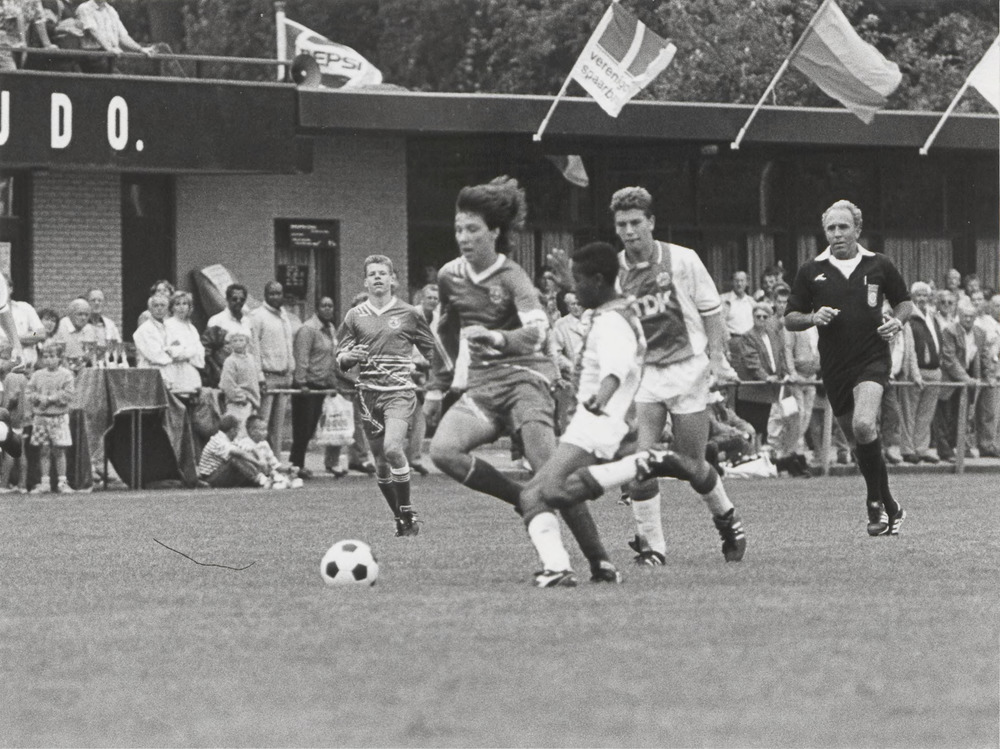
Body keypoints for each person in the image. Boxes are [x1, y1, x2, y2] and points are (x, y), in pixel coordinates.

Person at [430, 176, 615, 581]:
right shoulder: (448, 276)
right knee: (443, 451)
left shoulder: (512, 276)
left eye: (473, 229)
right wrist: (436, 386)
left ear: (494, 232)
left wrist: (497, 337)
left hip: (528, 379)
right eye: (459, 229)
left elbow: (538, 330)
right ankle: (522, 499)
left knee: (550, 472)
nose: (463, 237)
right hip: (483, 385)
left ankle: (600, 561)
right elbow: (444, 331)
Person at [568, 186, 745, 565]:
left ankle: (727, 518)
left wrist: (716, 359)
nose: (629, 231)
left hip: (689, 371)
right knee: (640, 463)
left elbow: (711, 311)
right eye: (622, 225)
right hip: (646, 376)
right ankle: (653, 547)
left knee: (691, 466)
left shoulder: (683, 260)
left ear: (651, 222)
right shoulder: (614, 273)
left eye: (636, 222)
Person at [517, 242, 644, 585]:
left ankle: (557, 568)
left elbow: (615, 370)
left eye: (579, 280)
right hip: (592, 425)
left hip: (596, 427)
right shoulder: (614, 310)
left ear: (598, 280)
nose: (573, 290)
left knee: (537, 493)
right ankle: (601, 567)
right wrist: (568, 281)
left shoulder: (612, 322)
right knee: (549, 492)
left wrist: (600, 399)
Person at [784, 199, 912, 537]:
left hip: (872, 358)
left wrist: (897, 322)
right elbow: (790, 317)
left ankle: (873, 502)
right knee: (858, 443)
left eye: (843, 227)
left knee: (864, 423)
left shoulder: (879, 264)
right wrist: (813, 317)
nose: (837, 234)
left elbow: (904, 302)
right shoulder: (811, 270)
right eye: (831, 228)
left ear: (857, 229)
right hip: (835, 365)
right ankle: (891, 506)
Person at [337, 255, 436, 537]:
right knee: (381, 463)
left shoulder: (410, 313)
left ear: (393, 279)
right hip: (368, 396)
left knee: (393, 448)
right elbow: (340, 356)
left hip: (399, 393)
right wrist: (349, 357)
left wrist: (434, 377)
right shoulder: (354, 316)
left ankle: (406, 510)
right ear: (365, 281)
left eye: (383, 273)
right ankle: (401, 518)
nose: (378, 277)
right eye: (373, 274)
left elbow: (432, 352)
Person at [290, 296, 343, 479]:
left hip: (322, 384)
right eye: (324, 306)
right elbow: (302, 356)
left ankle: (298, 463)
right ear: (317, 308)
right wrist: (301, 382)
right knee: (302, 428)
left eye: (330, 306)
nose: (327, 309)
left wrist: (332, 381)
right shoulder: (308, 329)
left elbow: (331, 357)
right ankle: (296, 464)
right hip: (308, 385)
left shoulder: (330, 329)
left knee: (311, 427)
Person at [249, 281, 295, 455]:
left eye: (278, 293)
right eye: (272, 294)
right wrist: (259, 376)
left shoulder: (284, 316)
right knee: (263, 423)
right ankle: (260, 461)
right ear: (265, 295)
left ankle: (275, 461)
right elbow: (254, 348)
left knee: (278, 426)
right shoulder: (257, 316)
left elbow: (288, 346)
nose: (276, 297)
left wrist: (290, 370)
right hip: (267, 377)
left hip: (284, 376)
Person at [899, 281, 942, 464]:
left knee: (926, 413)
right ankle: (907, 449)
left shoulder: (932, 316)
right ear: (912, 296)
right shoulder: (909, 317)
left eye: (925, 295)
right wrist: (914, 373)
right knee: (909, 412)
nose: (922, 298)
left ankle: (921, 448)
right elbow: (910, 350)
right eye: (919, 295)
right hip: (916, 372)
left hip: (934, 371)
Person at [26, 340, 75, 494]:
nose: (49, 360)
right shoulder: (37, 375)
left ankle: (62, 482)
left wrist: (51, 399)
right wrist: (38, 398)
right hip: (41, 418)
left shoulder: (66, 375)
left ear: (60, 357)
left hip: (58, 417)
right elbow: (29, 392)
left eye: (52, 356)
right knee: (44, 450)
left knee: (59, 450)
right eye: (45, 356)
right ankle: (45, 482)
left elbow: (69, 394)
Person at [939, 299, 980, 460]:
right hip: (949, 380)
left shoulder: (978, 332)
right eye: (964, 316)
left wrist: (975, 379)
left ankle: (961, 448)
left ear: (975, 317)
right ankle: (945, 451)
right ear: (958, 316)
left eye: (971, 316)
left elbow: (977, 358)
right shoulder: (949, 331)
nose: (968, 319)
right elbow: (949, 359)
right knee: (945, 418)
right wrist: (966, 378)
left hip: (966, 382)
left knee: (962, 417)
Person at [197, 413, 270, 489]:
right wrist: (257, 463)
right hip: (210, 478)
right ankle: (262, 480)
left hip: (220, 473)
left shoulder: (230, 440)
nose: (237, 433)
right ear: (232, 430)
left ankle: (261, 480)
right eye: (237, 430)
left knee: (247, 454)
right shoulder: (218, 440)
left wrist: (261, 459)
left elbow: (250, 448)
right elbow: (239, 453)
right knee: (235, 458)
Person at [203, 283, 253, 386]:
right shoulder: (217, 321)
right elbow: (206, 351)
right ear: (227, 299)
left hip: (246, 374)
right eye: (234, 299)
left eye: (242, 299)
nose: (238, 302)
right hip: (224, 374)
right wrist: (217, 370)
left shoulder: (248, 321)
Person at [238, 414, 301, 489]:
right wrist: (260, 459)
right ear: (252, 431)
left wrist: (289, 469)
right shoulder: (244, 443)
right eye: (262, 430)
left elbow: (274, 464)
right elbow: (245, 457)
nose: (266, 432)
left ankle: (283, 480)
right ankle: (273, 481)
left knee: (275, 472)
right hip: (249, 476)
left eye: (266, 429)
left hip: (265, 473)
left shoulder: (265, 444)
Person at [161, 290, 204, 395]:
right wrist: (185, 352)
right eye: (177, 304)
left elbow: (199, 351)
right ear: (172, 307)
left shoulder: (192, 328)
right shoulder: (167, 325)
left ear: (189, 307)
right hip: (173, 371)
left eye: (184, 304)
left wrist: (187, 353)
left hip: (190, 371)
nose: (181, 307)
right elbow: (170, 351)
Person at [218, 330, 260, 437]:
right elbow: (227, 383)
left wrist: (254, 399)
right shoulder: (230, 361)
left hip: (252, 402)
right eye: (235, 341)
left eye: (241, 340)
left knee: (249, 433)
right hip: (238, 404)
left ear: (247, 342)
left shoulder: (251, 359)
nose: (238, 343)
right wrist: (241, 398)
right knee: (238, 432)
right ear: (230, 344)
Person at [1, 0, 56, 72]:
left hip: (19, 41)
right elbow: (18, 16)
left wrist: (47, 45)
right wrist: (23, 42)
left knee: (20, 71)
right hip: (4, 40)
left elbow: (39, 19)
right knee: (11, 73)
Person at [84, 287, 123, 365]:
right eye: (93, 300)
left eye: (100, 300)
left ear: (104, 303)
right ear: (87, 303)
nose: (97, 303)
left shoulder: (110, 325)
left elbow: (118, 349)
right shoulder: (81, 325)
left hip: (107, 367)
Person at [720, 270, 755, 337]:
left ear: (747, 283)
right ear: (732, 282)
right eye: (736, 281)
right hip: (732, 339)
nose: (739, 284)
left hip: (749, 339)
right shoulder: (724, 300)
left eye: (742, 281)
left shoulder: (751, 301)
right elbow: (720, 322)